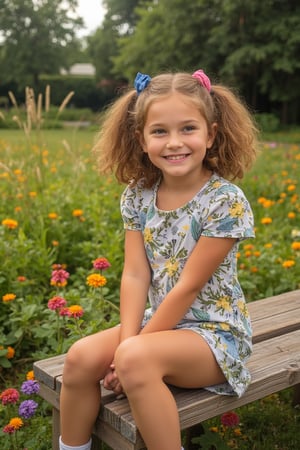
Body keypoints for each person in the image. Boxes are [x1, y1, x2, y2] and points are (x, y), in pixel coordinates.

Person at [59, 69, 258, 450]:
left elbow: (190, 286)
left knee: (134, 358)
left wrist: (127, 354)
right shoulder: (138, 195)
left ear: (211, 134)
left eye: (188, 129)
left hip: (215, 337)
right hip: (160, 328)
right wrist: (127, 344)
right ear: (141, 139)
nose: (174, 143)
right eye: (160, 131)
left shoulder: (224, 201)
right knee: (81, 357)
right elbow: (135, 275)